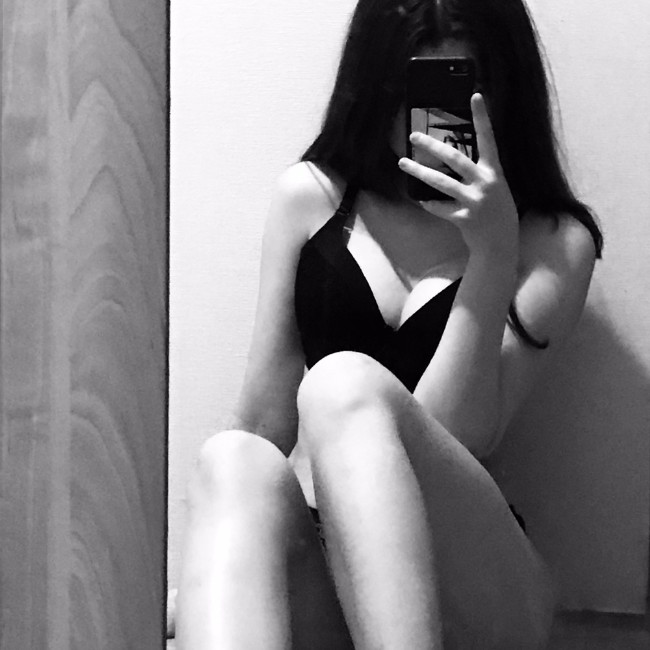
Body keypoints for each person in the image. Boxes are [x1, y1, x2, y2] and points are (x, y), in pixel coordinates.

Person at [175, 0, 603, 647]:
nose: (423, 124)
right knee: (230, 457)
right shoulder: (311, 199)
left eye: (457, 91)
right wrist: (208, 580)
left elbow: (463, 435)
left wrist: (492, 254)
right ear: (371, 83)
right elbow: (263, 423)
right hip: (328, 567)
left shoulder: (551, 242)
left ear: (504, 93)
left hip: (477, 584)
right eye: (408, 89)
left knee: (341, 384)